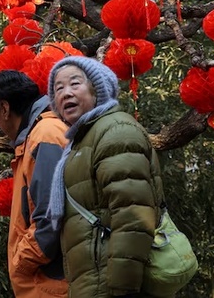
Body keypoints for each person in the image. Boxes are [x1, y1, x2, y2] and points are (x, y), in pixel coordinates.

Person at [45, 56, 165, 298]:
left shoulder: (115, 130)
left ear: (97, 89)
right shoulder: (81, 142)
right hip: (95, 283)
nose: (66, 93)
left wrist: (123, 288)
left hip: (113, 286)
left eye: (75, 84)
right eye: (59, 88)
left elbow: (133, 214)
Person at [0, 69, 69, 297]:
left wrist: (19, 262)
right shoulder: (39, 134)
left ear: (4, 108)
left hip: (53, 286)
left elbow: (50, 219)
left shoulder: (45, 135)